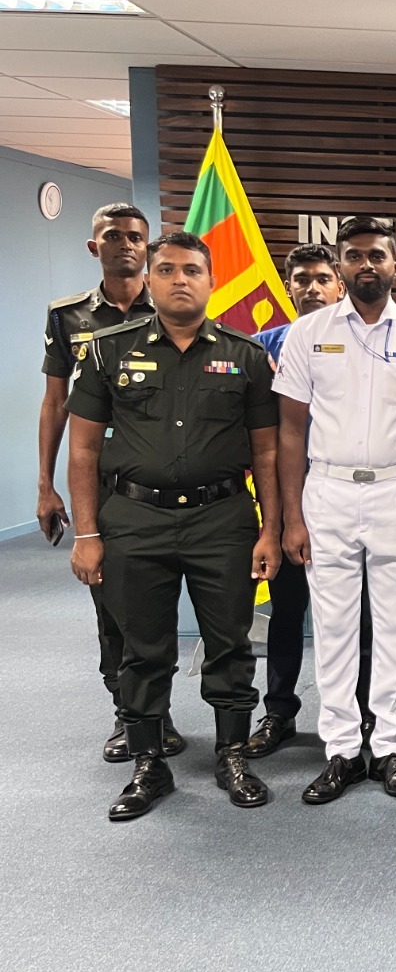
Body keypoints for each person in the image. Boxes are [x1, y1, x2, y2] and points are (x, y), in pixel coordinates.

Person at [64, 231, 281, 820]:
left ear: (212, 281)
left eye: (191, 270)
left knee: (230, 643)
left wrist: (270, 530)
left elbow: (267, 452)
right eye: (167, 270)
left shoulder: (246, 355)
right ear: (149, 279)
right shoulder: (107, 351)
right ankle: (148, 763)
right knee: (143, 647)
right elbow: (82, 450)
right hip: (134, 519)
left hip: (222, 519)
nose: (179, 279)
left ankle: (232, 754)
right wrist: (86, 533)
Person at [275, 217, 396, 804]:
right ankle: (342, 751)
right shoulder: (308, 333)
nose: (366, 265)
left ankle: (391, 747)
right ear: (342, 267)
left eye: (377, 255)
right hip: (326, 491)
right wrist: (293, 517)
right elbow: (290, 430)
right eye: (354, 256)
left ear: (395, 265)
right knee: (332, 628)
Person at [37, 203, 180, 761]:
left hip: (155, 472)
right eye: (114, 236)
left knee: (158, 605)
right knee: (115, 605)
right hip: (98, 478)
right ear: (94, 246)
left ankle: (159, 713)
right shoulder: (68, 316)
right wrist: (46, 485)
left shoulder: (170, 306)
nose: (126, 245)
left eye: (136, 237)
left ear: (148, 246)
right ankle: (129, 714)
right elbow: (55, 403)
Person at [244, 244, 373, 758]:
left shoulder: (362, 343)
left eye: (323, 278)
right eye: (302, 279)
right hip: (287, 502)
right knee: (288, 610)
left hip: (349, 498)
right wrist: (276, 519)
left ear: (339, 285)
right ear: (288, 286)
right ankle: (279, 711)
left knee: (359, 614)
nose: (313, 288)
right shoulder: (262, 347)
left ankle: (363, 712)